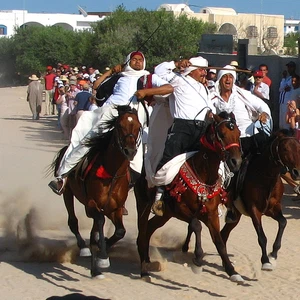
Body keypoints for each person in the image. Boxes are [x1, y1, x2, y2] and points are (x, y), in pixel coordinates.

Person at [48, 51, 173, 195]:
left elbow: (169, 88)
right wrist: (111, 72)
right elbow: (96, 86)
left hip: (134, 117)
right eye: (134, 60)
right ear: (127, 62)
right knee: (86, 142)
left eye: (140, 60)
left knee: (140, 158)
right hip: (110, 113)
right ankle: (62, 178)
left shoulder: (149, 77)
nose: (137, 62)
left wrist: (146, 92)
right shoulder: (119, 77)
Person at [150, 56, 216, 216]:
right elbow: (158, 71)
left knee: (209, 162)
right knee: (168, 161)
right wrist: (176, 64)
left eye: (205, 71)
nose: (204, 74)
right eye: (201, 70)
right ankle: (159, 197)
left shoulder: (205, 88)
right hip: (183, 128)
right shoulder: (178, 79)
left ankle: (210, 198)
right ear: (191, 71)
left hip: (203, 129)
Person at [210, 65, 271, 222]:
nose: (228, 79)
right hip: (228, 142)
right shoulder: (212, 97)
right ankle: (230, 206)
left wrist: (263, 114)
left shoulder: (241, 94)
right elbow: (207, 111)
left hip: (248, 134)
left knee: (270, 158)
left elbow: (261, 105)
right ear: (220, 79)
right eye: (225, 76)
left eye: (231, 76)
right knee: (229, 173)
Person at [279, 61, 298, 129]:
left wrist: (284, 87)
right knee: (281, 119)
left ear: (294, 68)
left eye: (291, 67)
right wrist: (284, 77)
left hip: (288, 101)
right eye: (288, 67)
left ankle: (286, 132)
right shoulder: (287, 78)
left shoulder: (295, 78)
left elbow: (286, 88)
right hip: (282, 101)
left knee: (286, 119)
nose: (289, 69)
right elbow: (281, 88)